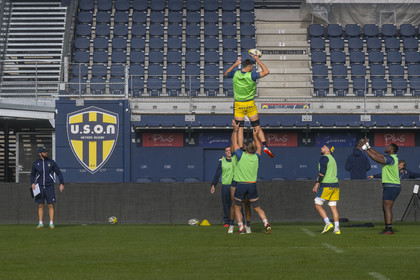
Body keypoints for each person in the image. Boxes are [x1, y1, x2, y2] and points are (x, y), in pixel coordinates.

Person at [224, 55, 274, 158]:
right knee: (257, 126)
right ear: (250, 67)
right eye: (253, 66)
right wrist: (258, 60)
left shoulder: (235, 74)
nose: (253, 68)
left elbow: (225, 74)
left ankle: (241, 149)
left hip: (238, 105)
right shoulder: (252, 75)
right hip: (250, 104)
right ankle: (264, 146)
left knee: (240, 128)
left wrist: (235, 64)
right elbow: (266, 71)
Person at [231, 119, 271, 234]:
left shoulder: (240, 155)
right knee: (257, 208)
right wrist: (255, 136)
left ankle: (241, 228)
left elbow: (234, 143)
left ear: (246, 149)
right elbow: (259, 147)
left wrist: (235, 130)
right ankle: (266, 223)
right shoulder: (256, 157)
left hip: (241, 185)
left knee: (237, 207)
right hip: (252, 185)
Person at [359, 138, 400, 234]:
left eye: (388, 146)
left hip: (391, 186)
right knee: (385, 207)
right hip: (391, 186)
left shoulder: (390, 158)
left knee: (387, 207)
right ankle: (388, 228)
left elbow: (376, 158)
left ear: (392, 149)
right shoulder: (391, 157)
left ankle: (389, 229)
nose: (386, 147)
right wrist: (368, 147)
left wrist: (365, 149)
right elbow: (378, 155)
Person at [30, 146, 64, 229]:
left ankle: (51, 223)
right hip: (39, 186)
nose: (46, 153)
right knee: (40, 205)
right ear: (40, 153)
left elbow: (59, 173)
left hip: (49, 186)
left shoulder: (51, 162)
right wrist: (32, 183)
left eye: (47, 152)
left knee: (50, 205)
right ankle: (40, 223)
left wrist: (61, 183)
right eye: (44, 152)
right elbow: (32, 174)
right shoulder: (36, 163)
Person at [312, 144, 341, 235]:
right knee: (333, 206)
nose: (321, 148)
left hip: (326, 185)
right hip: (335, 186)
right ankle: (337, 229)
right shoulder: (333, 159)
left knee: (317, 204)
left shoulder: (324, 158)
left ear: (328, 150)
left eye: (324, 147)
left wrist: (317, 184)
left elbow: (322, 173)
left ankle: (328, 223)